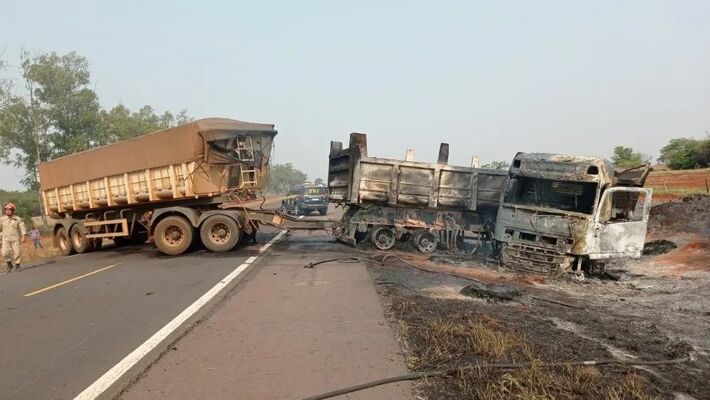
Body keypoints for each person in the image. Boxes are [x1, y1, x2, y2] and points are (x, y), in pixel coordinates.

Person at [0, 202, 27, 272]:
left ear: (13, 210)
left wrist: (23, 235)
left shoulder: (17, 219)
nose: (7, 211)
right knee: (4, 252)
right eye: (6, 209)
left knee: (17, 252)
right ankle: (9, 264)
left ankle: (17, 265)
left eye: (9, 209)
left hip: (15, 238)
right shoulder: (2, 219)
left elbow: (22, 227)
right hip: (5, 238)